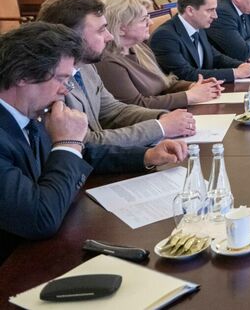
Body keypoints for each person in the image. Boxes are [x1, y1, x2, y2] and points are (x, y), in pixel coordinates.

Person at [0, 22, 188, 263]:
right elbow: (40, 219)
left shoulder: (31, 110)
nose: (66, 90)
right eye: (62, 79)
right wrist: (67, 142)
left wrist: (146, 156)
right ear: (23, 76)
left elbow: (83, 153)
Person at [36, 0, 196, 147]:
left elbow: (114, 111)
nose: (109, 36)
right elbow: (83, 143)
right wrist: (160, 127)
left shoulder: (86, 67)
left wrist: (162, 116)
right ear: (70, 37)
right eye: (101, 30)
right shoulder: (48, 83)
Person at [97, 0, 222, 110]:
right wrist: (189, 96)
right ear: (120, 28)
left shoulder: (139, 48)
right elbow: (135, 105)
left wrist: (191, 86)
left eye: (148, 17)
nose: (151, 22)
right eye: (143, 20)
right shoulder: (108, 62)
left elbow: (163, 82)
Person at [151, 0, 250, 84]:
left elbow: (215, 57)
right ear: (190, 11)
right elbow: (186, 74)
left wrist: (241, 65)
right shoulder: (164, 36)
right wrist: (235, 73)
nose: (215, 16)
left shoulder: (198, 26)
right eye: (210, 10)